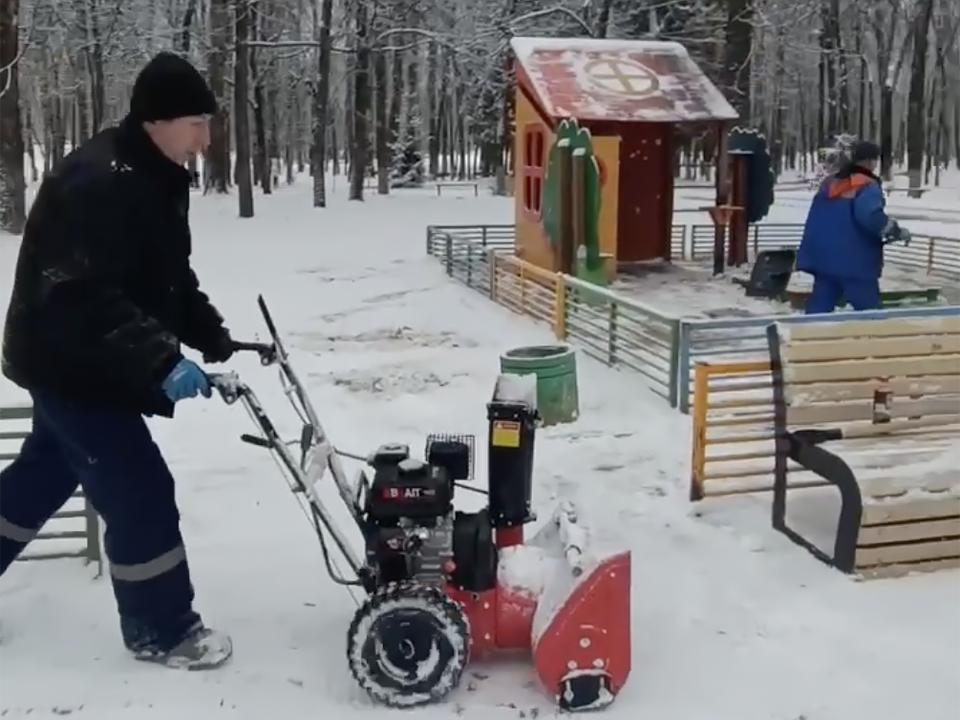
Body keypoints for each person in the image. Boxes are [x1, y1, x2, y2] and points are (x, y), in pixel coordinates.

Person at [0, 52, 235, 669]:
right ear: (158, 121)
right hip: (69, 361)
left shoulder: (156, 175)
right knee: (138, 492)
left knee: (40, 480)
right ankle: (163, 629)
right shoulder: (96, 184)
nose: (206, 139)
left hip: (91, 358)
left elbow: (165, 277)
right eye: (197, 123)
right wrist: (162, 360)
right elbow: (82, 296)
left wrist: (211, 335)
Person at [797, 140, 910, 314]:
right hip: (854, 261)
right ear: (871, 162)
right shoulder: (867, 186)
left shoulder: (831, 183)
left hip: (824, 258)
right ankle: (876, 340)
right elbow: (870, 216)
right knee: (870, 313)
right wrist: (894, 230)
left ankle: (805, 339)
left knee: (818, 311)